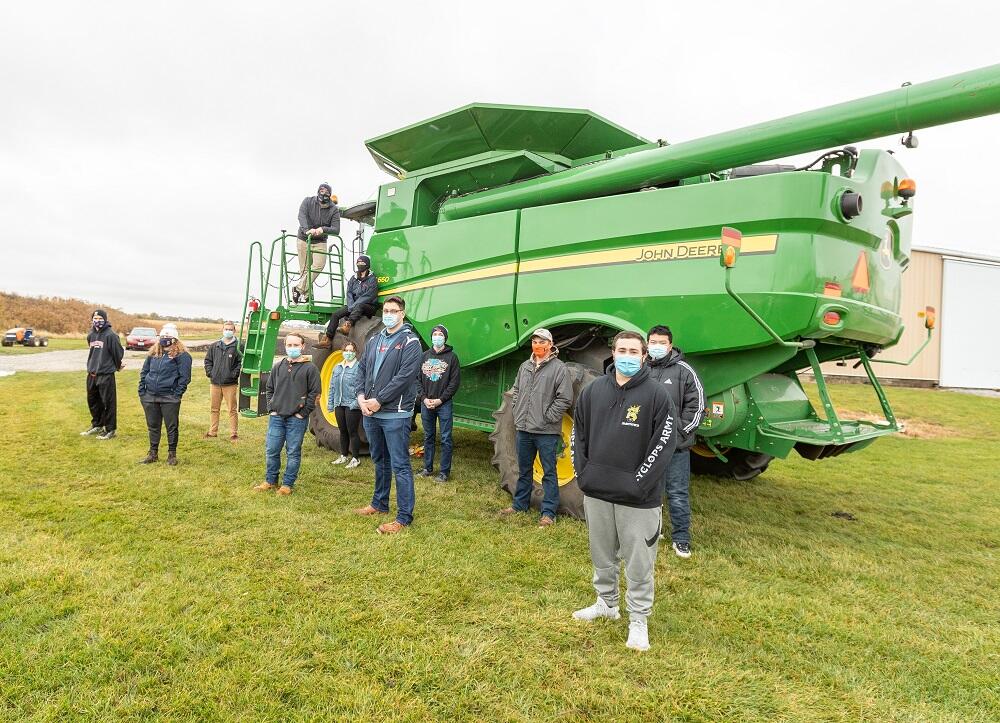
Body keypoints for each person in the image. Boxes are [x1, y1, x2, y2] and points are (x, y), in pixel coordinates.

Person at [571, 331, 678, 652]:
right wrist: (584, 475)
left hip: (638, 499)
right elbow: (579, 435)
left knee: (639, 562)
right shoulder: (593, 391)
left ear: (644, 355)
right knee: (602, 555)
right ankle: (606, 603)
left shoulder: (657, 395)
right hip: (598, 492)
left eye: (634, 350)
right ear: (613, 353)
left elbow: (664, 443)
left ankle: (638, 620)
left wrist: (638, 482)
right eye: (622, 350)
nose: (627, 355)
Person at [352, 296, 422, 534]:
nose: (389, 314)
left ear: (403, 313)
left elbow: (405, 377)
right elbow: (361, 369)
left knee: (400, 465)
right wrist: (361, 396)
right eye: (386, 310)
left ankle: (403, 517)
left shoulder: (411, 342)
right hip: (370, 412)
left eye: (394, 310)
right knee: (380, 460)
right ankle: (379, 503)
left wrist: (379, 400)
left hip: (395, 414)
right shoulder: (374, 339)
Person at [499, 328, 573, 527]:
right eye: (534, 341)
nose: (538, 345)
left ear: (550, 344)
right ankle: (519, 504)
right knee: (524, 470)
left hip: (546, 432)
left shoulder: (559, 368)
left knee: (549, 472)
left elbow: (565, 397)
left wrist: (548, 417)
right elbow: (516, 391)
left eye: (542, 342)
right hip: (523, 429)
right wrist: (517, 411)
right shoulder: (525, 366)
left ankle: (548, 512)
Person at [646, 324, 704, 559]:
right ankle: (653, 530)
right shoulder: (642, 368)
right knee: (650, 491)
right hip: (648, 446)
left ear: (670, 345)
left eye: (661, 343)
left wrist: (678, 434)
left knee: (677, 493)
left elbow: (697, 406)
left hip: (676, 447)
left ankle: (681, 539)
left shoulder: (684, 371)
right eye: (653, 342)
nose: (656, 347)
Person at [254, 332, 321, 495]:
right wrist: (272, 408)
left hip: (296, 419)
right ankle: (270, 480)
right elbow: (269, 389)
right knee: (272, 450)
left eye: (296, 345)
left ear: (302, 346)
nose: (292, 348)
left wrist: (303, 413)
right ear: (285, 346)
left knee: (292, 451)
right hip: (277, 417)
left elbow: (315, 393)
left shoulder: (310, 368)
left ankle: (287, 484)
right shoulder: (278, 366)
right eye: (289, 345)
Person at [137, 324, 193, 465]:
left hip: (170, 397)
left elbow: (185, 377)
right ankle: (153, 453)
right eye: (162, 337)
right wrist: (142, 391)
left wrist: (177, 394)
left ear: (175, 339)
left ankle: (171, 454)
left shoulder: (183, 356)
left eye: (168, 337)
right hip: (150, 396)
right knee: (153, 426)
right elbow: (144, 372)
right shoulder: (153, 354)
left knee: (171, 426)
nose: (165, 339)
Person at [417, 324, 461, 482]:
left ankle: (444, 472)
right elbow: (417, 380)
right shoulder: (424, 356)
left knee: (446, 438)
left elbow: (454, 383)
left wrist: (440, 400)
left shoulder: (452, 358)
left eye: (440, 334)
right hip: (426, 403)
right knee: (428, 437)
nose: (437, 336)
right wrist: (424, 398)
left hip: (444, 404)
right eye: (434, 334)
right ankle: (427, 468)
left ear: (445, 337)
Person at [293, 183, 340, 304]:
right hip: (304, 238)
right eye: (321, 192)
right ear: (318, 192)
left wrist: (323, 229)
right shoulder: (307, 202)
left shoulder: (334, 209)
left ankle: (298, 289)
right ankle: (307, 296)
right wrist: (306, 230)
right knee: (304, 270)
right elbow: (301, 216)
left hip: (320, 241)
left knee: (319, 265)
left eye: (326, 193)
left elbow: (336, 229)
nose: (323, 195)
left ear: (330, 195)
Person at [316, 254, 378, 348]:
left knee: (359, 306)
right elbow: (349, 293)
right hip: (353, 305)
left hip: (368, 306)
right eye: (358, 263)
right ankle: (328, 339)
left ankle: (347, 326)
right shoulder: (353, 278)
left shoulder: (372, 279)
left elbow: (368, 296)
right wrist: (350, 306)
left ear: (367, 265)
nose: (360, 264)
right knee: (336, 314)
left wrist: (353, 306)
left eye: (362, 263)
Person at [81, 309, 124, 440]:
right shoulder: (91, 335)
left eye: (100, 318)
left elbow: (118, 353)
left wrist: (116, 366)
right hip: (92, 374)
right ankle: (97, 425)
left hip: (105, 374)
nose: (97, 320)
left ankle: (110, 429)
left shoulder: (111, 335)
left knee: (108, 403)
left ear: (105, 319)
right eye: (95, 318)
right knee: (93, 402)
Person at [204, 320, 243, 441]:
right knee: (214, 409)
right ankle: (212, 432)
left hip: (230, 384)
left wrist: (233, 374)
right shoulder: (215, 346)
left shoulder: (238, 346)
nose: (228, 331)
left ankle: (233, 434)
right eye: (226, 329)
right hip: (215, 383)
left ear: (234, 331)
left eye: (230, 329)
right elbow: (208, 361)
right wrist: (211, 373)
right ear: (222, 330)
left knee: (232, 409)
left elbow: (240, 363)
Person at [326, 340, 363, 469]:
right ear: (342, 352)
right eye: (346, 351)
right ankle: (343, 455)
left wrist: (355, 403)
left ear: (356, 353)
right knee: (342, 431)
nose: (348, 353)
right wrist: (331, 403)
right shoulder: (337, 367)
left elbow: (362, 387)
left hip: (352, 405)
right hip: (339, 404)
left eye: (351, 351)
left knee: (353, 431)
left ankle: (355, 458)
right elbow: (332, 387)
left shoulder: (359, 368)